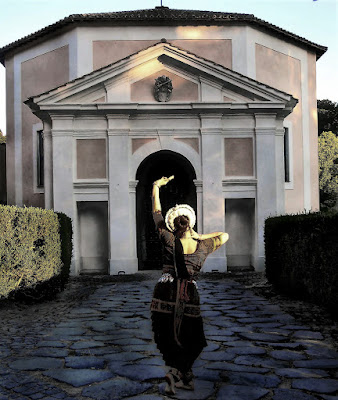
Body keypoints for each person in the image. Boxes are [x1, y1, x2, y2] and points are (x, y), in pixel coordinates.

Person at [150, 176, 229, 395]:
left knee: (166, 334)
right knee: (192, 338)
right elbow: (225, 235)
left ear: (171, 224)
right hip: (188, 294)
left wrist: (156, 187)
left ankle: (176, 373)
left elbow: (156, 213)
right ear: (190, 223)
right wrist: (199, 234)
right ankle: (181, 375)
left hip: (165, 291)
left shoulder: (167, 237)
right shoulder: (203, 245)